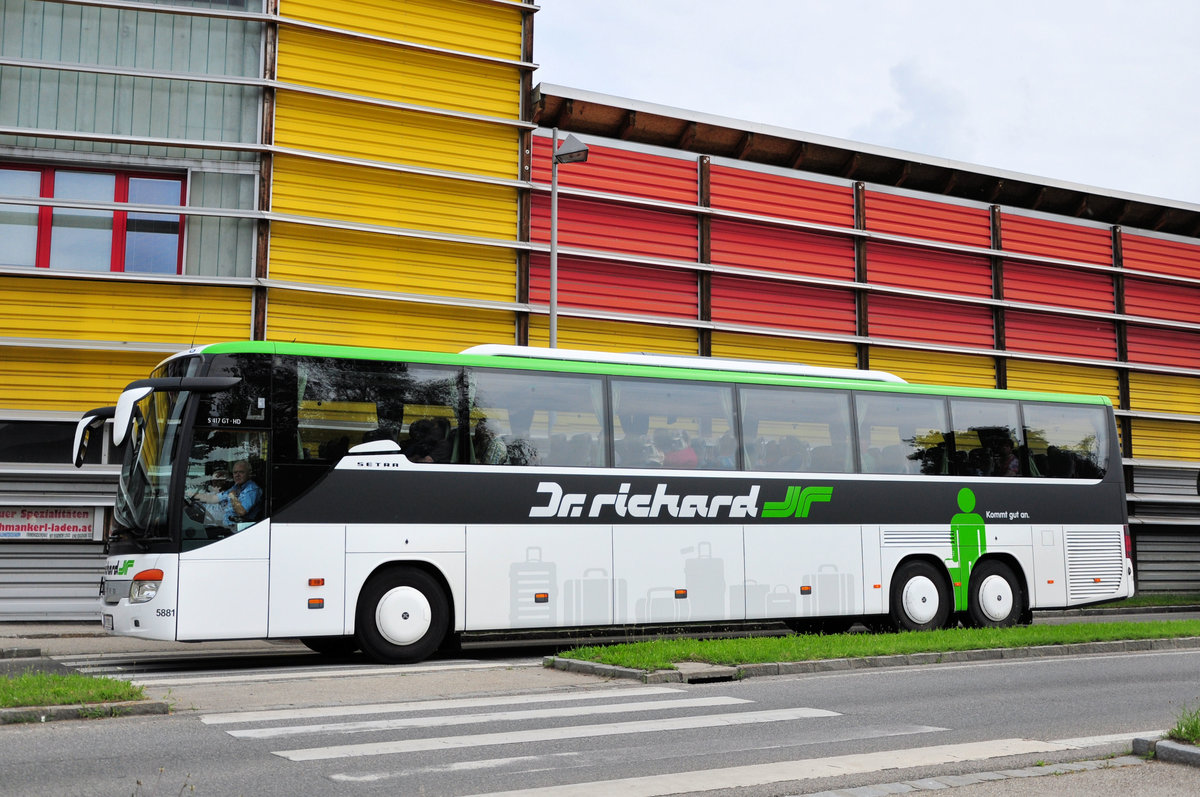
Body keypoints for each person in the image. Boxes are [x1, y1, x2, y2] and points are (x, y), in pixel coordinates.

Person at [192, 460, 261, 531]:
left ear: (249, 473)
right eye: (235, 472)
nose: (237, 475)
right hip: (227, 527)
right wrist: (191, 495)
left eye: (241, 472)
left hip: (240, 530)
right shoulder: (236, 487)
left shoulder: (251, 489)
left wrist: (233, 497)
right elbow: (214, 498)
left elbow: (241, 512)